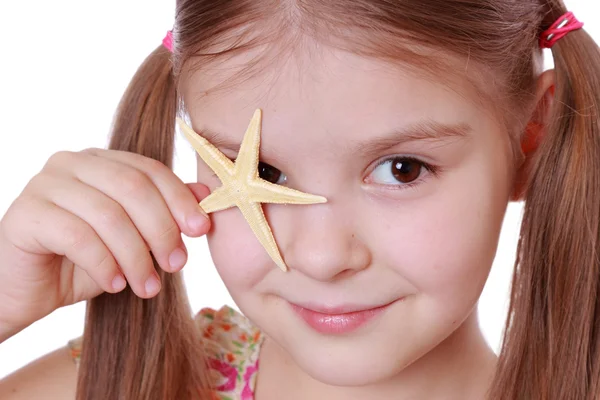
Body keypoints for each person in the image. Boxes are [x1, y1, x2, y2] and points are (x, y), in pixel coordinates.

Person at [1, 1, 599, 399]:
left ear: (530, 141)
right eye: (261, 171)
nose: (319, 257)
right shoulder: (125, 385)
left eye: (402, 168)